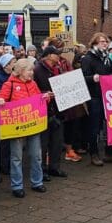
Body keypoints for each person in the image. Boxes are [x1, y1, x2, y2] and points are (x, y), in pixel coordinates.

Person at [0, 59, 49, 197]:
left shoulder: (33, 84)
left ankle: (37, 182)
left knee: (36, 155)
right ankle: (17, 185)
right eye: (29, 70)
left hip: (33, 125)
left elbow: (38, 98)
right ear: (20, 71)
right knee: (16, 157)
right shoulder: (9, 84)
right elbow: (0, 97)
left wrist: (45, 97)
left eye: (32, 70)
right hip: (17, 127)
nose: (32, 73)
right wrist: (0, 100)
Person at [81, 33, 112, 166]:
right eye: (102, 42)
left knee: (110, 125)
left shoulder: (107, 58)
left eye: (106, 41)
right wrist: (93, 78)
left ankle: (110, 153)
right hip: (94, 97)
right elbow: (83, 77)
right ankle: (94, 154)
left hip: (107, 97)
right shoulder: (88, 58)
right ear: (94, 44)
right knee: (95, 127)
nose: (105, 44)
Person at [33, 46, 69, 178]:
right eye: (56, 54)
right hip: (44, 111)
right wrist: (44, 94)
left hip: (57, 109)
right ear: (48, 55)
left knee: (57, 141)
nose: (58, 56)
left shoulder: (58, 68)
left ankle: (55, 167)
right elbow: (32, 90)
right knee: (43, 142)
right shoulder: (37, 69)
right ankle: (41, 170)